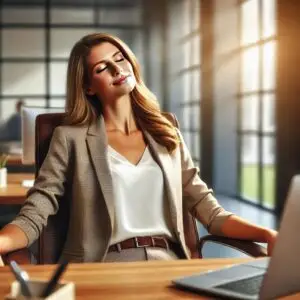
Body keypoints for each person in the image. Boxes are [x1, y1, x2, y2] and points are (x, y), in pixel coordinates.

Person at [0, 33, 277, 263]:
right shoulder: (69, 138)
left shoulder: (166, 133)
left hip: (169, 263)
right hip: (102, 267)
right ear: (87, 87)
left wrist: (267, 235)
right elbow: (34, 214)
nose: (117, 69)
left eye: (119, 59)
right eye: (102, 68)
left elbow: (211, 213)